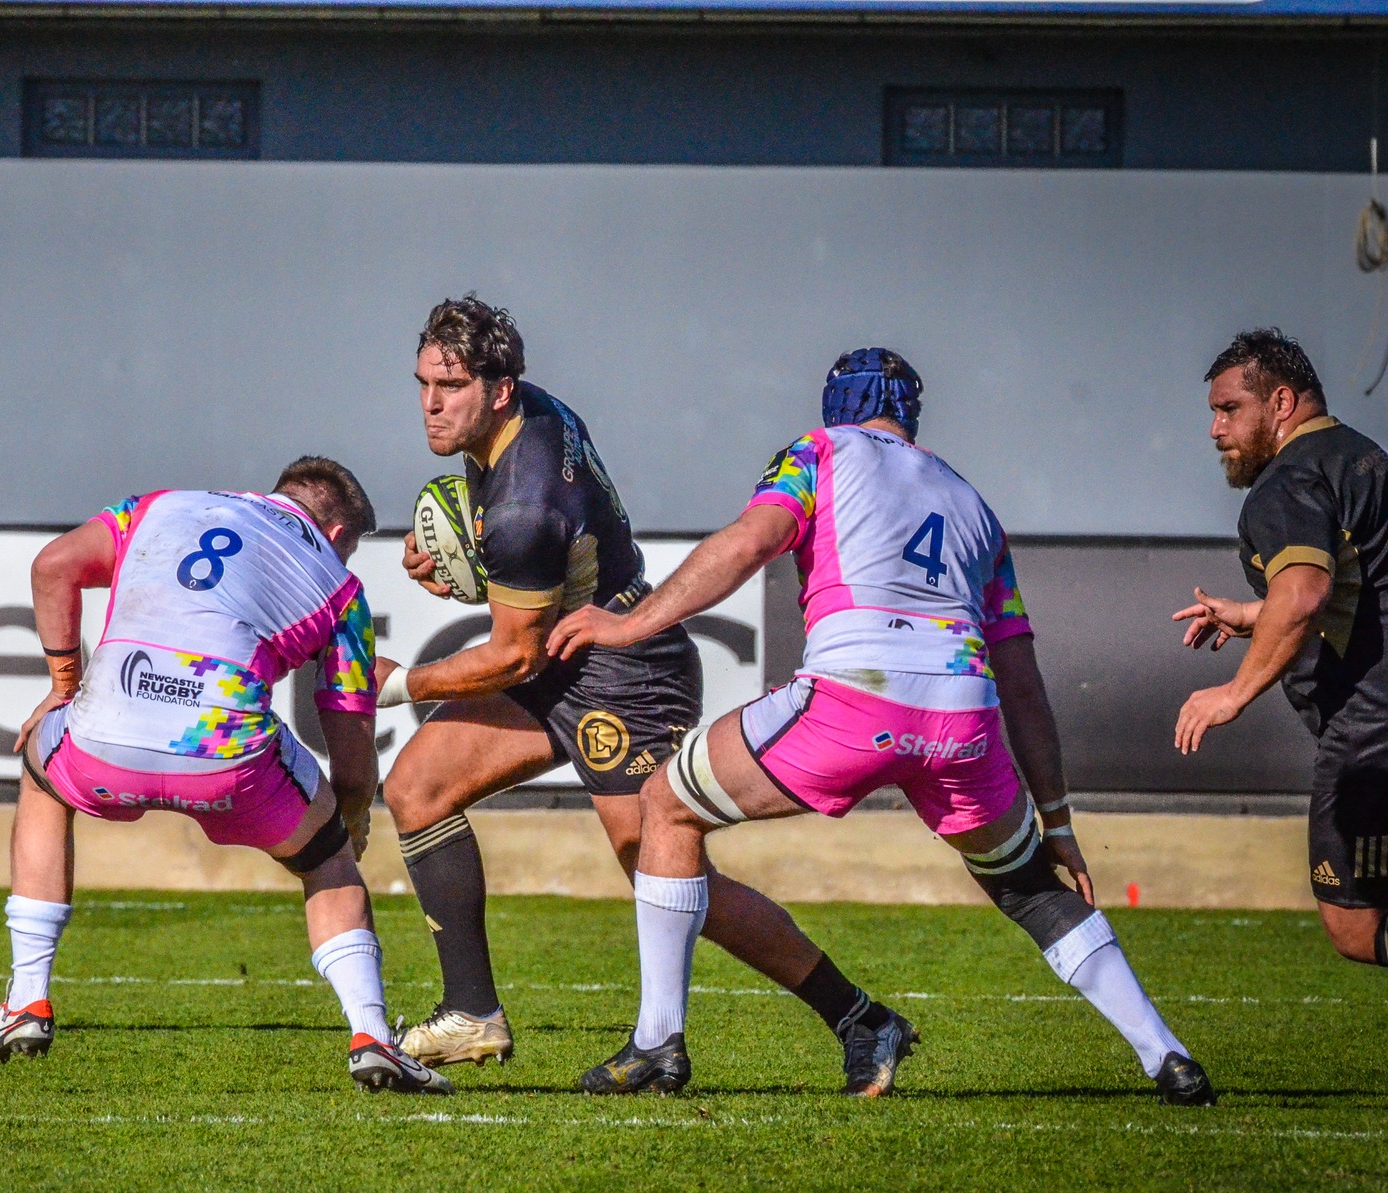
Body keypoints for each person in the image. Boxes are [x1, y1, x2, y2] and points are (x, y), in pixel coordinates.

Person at [553, 348, 1216, 1105]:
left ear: (838, 404)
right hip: (963, 716)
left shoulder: (819, 451)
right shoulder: (973, 505)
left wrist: (632, 622)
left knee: (667, 804)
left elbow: (749, 542)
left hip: (854, 698)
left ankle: (657, 1044)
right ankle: (1167, 1055)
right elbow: (1022, 682)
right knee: (1032, 889)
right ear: (910, 414)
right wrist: (1056, 817)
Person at [379, 296, 905, 1094]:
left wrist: (396, 684)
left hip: (624, 671)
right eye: (422, 383)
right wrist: (471, 567)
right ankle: (471, 1011)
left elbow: (514, 652)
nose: (430, 403)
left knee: (663, 869)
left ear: (500, 388)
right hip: (569, 645)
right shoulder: (526, 418)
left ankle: (859, 1017)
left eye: (449, 386)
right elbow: (535, 593)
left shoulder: (524, 501)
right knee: (416, 787)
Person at [0, 458, 450, 1095]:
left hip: (106, 736)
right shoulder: (339, 586)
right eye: (349, 550)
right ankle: (372, 1038)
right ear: (335, 537)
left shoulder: (157, 506)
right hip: (224, 756)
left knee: (41, 780)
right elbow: (350, 750)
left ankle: (26, 1000)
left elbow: (54, 566)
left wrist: (62, 691)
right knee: (326, 862)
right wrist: (347, 824)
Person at [1175, 328, 1388, 970]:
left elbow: (1303, 596)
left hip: (1370, 733)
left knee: (1357, 928)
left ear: (1282, 403)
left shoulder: (1286, 482)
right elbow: (1355, 588)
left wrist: (1232, 693)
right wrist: (1248, 614)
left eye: (1229, 409)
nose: (1216, 430)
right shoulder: (1365, 458)